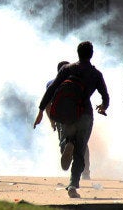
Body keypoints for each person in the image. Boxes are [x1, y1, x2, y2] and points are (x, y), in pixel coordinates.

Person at [33, 41, 109, 198]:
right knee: (80, 152)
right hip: (85, 114)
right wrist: (103, 107)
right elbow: (106, 97)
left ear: (78, 53)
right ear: (91, 54)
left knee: (66, 141)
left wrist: (40, 111)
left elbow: (51, 90)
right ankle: (73, 185)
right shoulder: (96, 74)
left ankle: (67, 144)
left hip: (66, 114)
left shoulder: (67, 69)